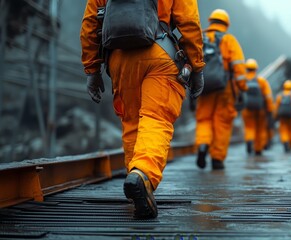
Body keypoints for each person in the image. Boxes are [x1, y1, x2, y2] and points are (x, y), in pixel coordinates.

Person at [81, 0, 205, 219]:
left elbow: (91, 23)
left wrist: (92, 70)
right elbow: (189, 22)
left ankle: (136, 181)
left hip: (119, 59)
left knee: (132, 124)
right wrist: (196, 66)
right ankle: (143, 174)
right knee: (156, 118)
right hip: (159, 53)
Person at [195, 9, 247, 170]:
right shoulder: (229, 40)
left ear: (210, 21)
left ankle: (203, 144)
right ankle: (217, 159)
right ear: (226, 24)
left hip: (205, 87)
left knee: (204, 119)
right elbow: (238, 67)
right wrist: (242, 88)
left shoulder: (200, 38)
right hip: (226, 89)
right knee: (222, 124)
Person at [241, 59, 273, 155]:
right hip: (260, 109)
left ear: (246, 68)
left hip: (246, 108)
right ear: (256, 69)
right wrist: (270, 109)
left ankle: (249, 140)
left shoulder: (243, 80)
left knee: (249, 127)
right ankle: (258, 149)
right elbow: (268, 96)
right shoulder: (261, 81)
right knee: (260, 128)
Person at [274, 80, 291, 153]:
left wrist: (275, 116)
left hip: (282, 117)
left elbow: (276, 108)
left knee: (283, 131)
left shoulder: (279, 96)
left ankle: (285, 141)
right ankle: (290, 145)